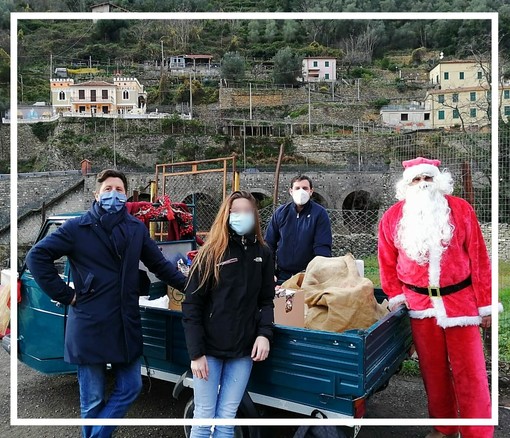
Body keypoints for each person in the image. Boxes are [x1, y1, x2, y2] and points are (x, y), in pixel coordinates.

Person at [26, 169, 187, 438]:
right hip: (90, 322)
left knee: (131, 387)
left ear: (127, 195)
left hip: (125, 323)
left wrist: (193, 286)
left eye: (119, 189)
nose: (114, 194)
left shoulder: (135, 229)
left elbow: (159, 265)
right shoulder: (77, 228)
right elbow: (36, 257)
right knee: (92, 400)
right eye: (108, 189)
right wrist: (67, 294)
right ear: (96, 194)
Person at [378, 157, 496, 438]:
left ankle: (477, 433)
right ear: (406, 186)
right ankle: (444, 428)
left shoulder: (460, 210)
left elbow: (479, 259)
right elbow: (386, 262)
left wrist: (486, 305)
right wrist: (396, 296)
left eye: (427, 179)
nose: (423, 185)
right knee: (434, 373)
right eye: (416, 180)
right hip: (420, 307)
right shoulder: (393, 217)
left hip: (461, 304)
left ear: (438, 181)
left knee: (471, 374)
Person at [182, 190, 274, 438]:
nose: (241, 216)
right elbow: (192, 305)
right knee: (204, 417)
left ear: (255, 216)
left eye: (247, 211)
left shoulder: (263, 254)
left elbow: (266, 300)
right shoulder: (210, 253)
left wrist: (264, 334)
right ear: (225, 216)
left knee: (227, 418)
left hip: (242, 352)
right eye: (235, 211)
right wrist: (196, 353)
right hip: (209, 352)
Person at [265, 175, 332, 283]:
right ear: (291, 191)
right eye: (297, 188)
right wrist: (269, 272)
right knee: (282, 300)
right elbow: (269, 244)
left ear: (311, 191)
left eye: (305, 188)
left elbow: (322, 247)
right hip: (282, 276)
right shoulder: (280, 213)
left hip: (308, 277)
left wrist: (318, 275)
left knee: (302, 301)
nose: (301, 191)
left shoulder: (319, 214)